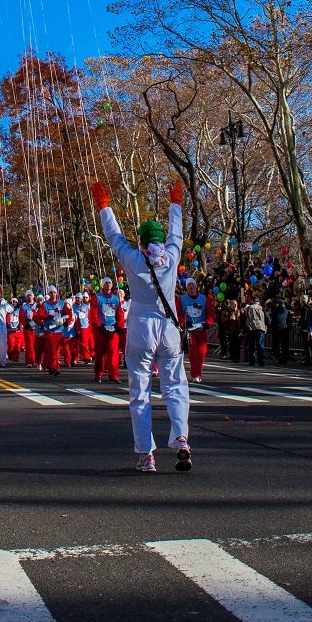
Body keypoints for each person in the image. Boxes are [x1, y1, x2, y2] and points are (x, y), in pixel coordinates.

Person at [91, 179, 192, 473]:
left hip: (140, 328)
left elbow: (114, 237)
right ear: (160, 240)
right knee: (175, 385)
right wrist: (176, 204)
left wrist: (104, 207)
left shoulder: (134, 259)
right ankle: (182, 438)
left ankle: (146, 454)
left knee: (140, 392)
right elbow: (178, 233)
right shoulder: (171, 258)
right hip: (168, 326)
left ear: (142, 242)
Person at [179, 278, 213, 382]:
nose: (191, 288)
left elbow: (210, 312)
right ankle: (196, 374)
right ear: (186, 288)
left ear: (196, 287)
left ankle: (198, 372)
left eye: (193, 286)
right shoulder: (181, 299)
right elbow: (178, 313)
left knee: (202, 351)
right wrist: (184, 322)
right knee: (193, 352)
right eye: (189, 286)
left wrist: (208, 322)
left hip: (201, 328)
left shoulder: (204, 298)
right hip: (190, 330)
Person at [90, 277, 123, 382]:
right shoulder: (97, 297)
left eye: (109, 283)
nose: (108, 285)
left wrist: (119, 326)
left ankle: (114, 375)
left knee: (113, 353)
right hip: (101, 330)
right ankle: (98, 374)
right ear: (102, 285)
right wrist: (98, 326)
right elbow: (93, 313)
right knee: (100, 353)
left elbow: (120, 313)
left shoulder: (116, 299)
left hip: (113, 330)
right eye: (106, 283)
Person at [35, 286, 70, 376]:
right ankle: (54, 368)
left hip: (59, 330)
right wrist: (47, 317)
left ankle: (51, 367)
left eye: (54, 292)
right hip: (49, 329)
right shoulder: (45, 304)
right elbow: (40, 314)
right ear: (49, 294)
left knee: (56, 350)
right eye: (51, 293)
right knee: (52, 349)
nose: (53, 294)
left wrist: (67, 321)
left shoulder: (62, 303)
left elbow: (68, 313)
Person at [244, 294, 267, 367]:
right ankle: (261, 361)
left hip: (251, 328)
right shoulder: (261, 308)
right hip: (260, 328)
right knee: (260, 345)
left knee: (251, 346)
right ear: (258, 302)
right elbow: (267, 317)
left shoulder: (248, 308)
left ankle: (252, 361)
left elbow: (245, 318)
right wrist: (267, 325)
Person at [19, 292, 39, 368]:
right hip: (28, 329)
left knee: (37, 345)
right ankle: (29, 361)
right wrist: (25, 324)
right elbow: (21, 317)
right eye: (27, 296)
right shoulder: (23, 307)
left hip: (37, 328)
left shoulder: (37, 305)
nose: (29, 297)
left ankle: (37, 360)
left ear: (33, 296)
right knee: (29, 346)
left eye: (30, 295)